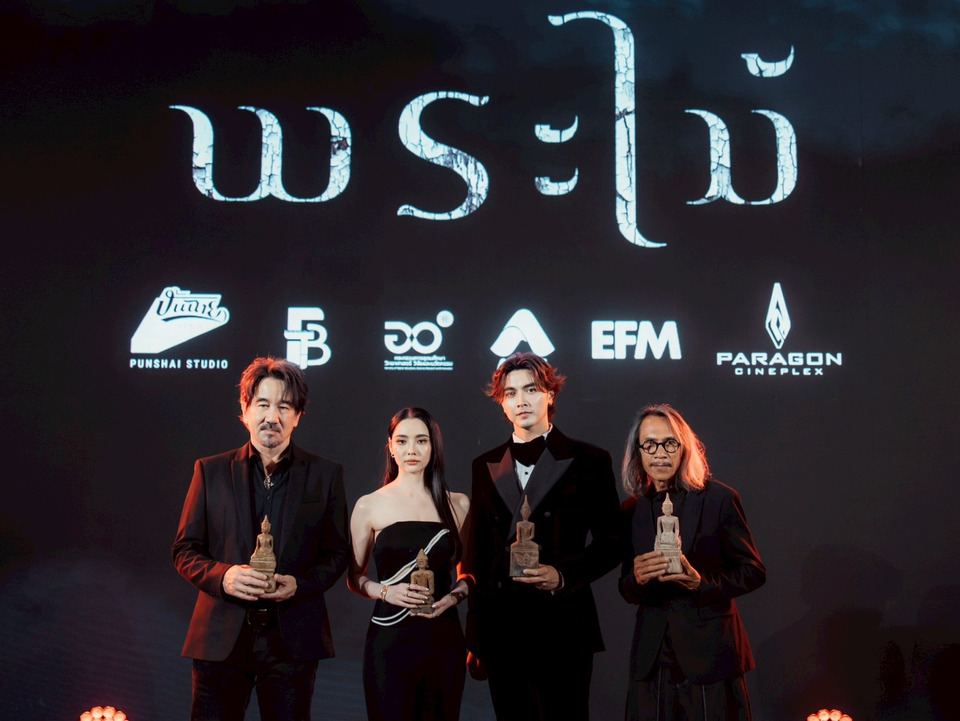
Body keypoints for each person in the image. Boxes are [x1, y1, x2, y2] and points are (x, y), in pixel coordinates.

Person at [172, 357, 350, 721]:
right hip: (220, 639)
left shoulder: (325, 475)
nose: (272, 416)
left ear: (298, 416)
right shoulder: (210, 471)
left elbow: (336, 553)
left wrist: (299, 585)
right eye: (263, 404)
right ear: (245, 410)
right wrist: (224, 576)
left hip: (292, 641)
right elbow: (185, 550)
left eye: (284, 407)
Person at [462, 352, 622, 720]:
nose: (521, 400)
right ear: (502, 403)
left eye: (531, 390)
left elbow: (613, 542)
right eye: (511, 393)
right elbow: (478, 555)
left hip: (563, 625)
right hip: (501, 629)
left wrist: (562, 575)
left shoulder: (590, 459)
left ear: (550, 394)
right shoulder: (484, 464)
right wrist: (475, 636)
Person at [619, 404, 766, 721]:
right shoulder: (632, 509)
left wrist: (701, 583)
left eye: (669, 443)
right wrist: (637, 578)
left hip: (710, 655)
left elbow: (753, 571)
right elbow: (626, 588)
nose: (660, 453)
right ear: (638, 452)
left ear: (684, 448)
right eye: (649, 444)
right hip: (652, 659)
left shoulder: (719, 499)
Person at [348, 407, 471, 721]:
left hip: (444, 639)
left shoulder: (458, 504)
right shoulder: (369, 505)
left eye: (421, 440)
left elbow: (469, 574)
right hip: (390, 642)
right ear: (390, 446)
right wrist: (385, 592)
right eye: (402, 441)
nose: (411, 450)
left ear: (433, 446)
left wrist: (453, 598)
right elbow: (354, 576)